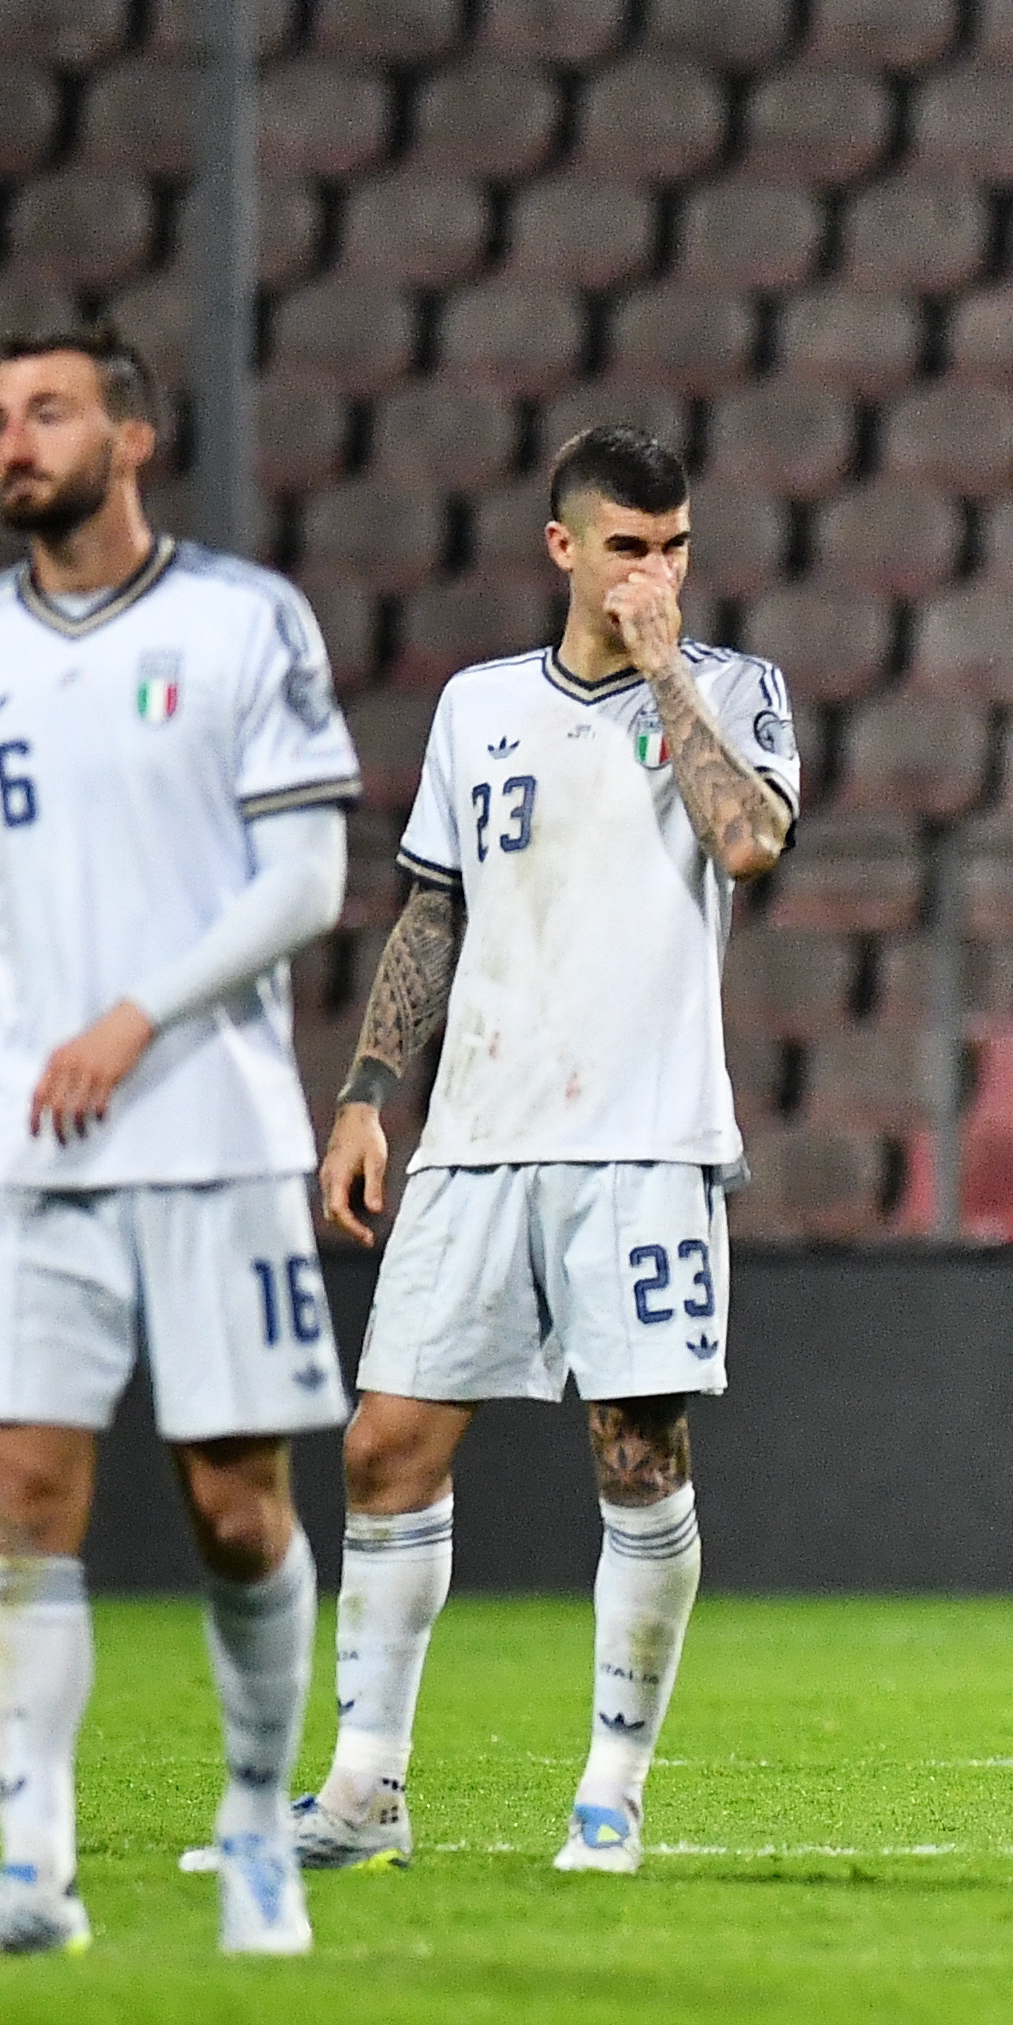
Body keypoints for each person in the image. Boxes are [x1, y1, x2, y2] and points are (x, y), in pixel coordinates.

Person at [0, 321, 360, 1957]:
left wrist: (135, 1016)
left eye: (49, 412)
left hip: (209, 1130)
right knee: (21, 1493)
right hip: (17, 1151)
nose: (13, 440)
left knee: (234, 1506)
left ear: (130, 441)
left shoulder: (238, 622)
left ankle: (260, 1825)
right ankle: (30, 1881)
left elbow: (306, 884)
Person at [238, 425, 796, 1880]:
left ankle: (611, 1790)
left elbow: (748, 846)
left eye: (674, 547)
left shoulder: (734, 691)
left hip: (643, 1138)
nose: (653, 572)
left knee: (636, 1456)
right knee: (383, 1448)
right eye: (626, 546)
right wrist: (367, 1091)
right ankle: (364, 1792)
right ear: (564, 547)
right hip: (478, 1138)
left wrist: (666, 666)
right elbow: (433, 909)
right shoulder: (479, 707)